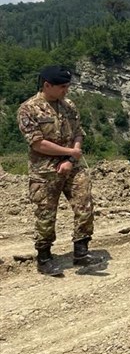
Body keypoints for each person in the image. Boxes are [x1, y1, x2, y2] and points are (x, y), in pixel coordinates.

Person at [17, 65, 97, 276]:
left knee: (84, 203)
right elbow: (38, 143)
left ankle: (81, 250)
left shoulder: (69, 105)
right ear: (47, 85)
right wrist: (69, 151)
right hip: (45, 172)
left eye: (67, 86)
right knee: (46, 214)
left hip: (73, 166)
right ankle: (44, 257)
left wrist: (72, 156)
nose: (66, 90)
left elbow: (79, 132)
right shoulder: (28, 109)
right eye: (62, 86)